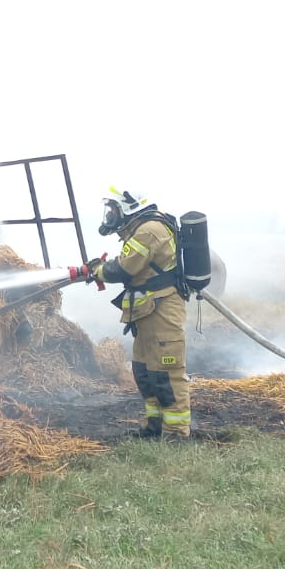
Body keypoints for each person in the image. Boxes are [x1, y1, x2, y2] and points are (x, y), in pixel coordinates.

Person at [84, 186, 191, 438]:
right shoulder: (141, 228)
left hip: (163, 311)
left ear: (128, 207)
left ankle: (176, 432)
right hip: (148, 310)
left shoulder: (148, 230)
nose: (110, 215)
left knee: (167, 372)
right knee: (145, 371)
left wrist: (98, 269)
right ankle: (154, 427)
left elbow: (123, 269)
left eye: (113, 210)